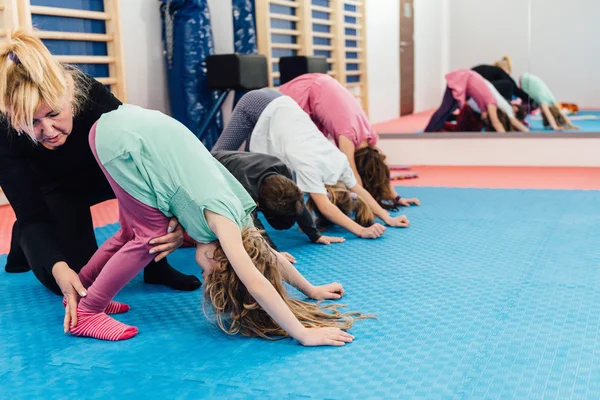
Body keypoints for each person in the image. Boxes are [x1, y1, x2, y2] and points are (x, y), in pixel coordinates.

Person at [72, 103, 364, 345]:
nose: (203, 269)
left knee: (127, 233)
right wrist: (301, 333)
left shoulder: (239, 217)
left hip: (134, 123)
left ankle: (81, 288)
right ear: (222, 261)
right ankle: (88, 311)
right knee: (148, 237)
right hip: (124, 142)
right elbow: (254, 280)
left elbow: (266, 256)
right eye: (209, 272)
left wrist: (310, 289)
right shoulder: (221, 222)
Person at [0, 30, 200, 329]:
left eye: (54, 114)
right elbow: (32, 214)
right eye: (32, 123)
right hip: (55, 190)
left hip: (104, 175)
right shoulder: (4, 134)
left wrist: (174, 221)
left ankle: (158, 269)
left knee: (145, 205)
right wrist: (57, 267)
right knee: (71, 282)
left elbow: (146, 161)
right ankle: (22, 242)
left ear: (70, 97)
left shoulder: (89, 93)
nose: (50, 131)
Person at [212, 88, 410, 239]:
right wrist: (362, 231)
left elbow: (359, 190)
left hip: (279, 101)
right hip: (256, 105)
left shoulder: (338, 161)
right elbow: (325, 207)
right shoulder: (310, 168)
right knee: (215, 162)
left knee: (249, 172)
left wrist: (387, 218)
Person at [279, 73, 420, 209]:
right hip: (307, 90)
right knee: (292, 148)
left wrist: (396, 198)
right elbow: (353, 177)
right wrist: (367, 205)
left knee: (310, 150)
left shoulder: (370, 136)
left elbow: (381, 168)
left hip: (324, 84)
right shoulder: (348, 137)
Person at [212, 151, 345, 260]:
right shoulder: (244, 190)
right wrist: (273, 252)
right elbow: (253, 224)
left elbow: (297, 202)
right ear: (260, 205)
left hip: (237, 164)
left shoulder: (281, 169)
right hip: (211, 169)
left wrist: (315, 235)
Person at [424, 70, 512, 133]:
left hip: (466, 80)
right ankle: (428, 132)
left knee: (448, 110)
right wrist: (504, 137)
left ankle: (434, 129)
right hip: (460, 79)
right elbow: (495, 122)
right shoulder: (492, 103)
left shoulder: (486, 106)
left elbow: (485, 117)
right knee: (444, 109)